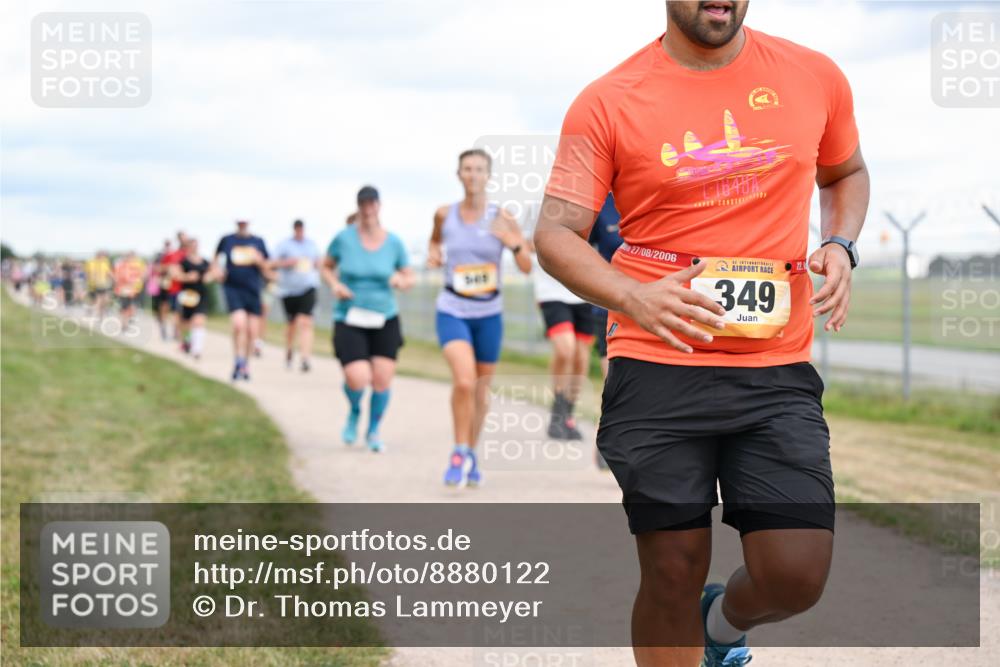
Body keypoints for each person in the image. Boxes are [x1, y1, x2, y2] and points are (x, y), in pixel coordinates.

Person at [533, 2, 868, 666]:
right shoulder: (607, 100)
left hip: (774, 368)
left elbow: (845, 172)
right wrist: (632, 295)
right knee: (672, 567)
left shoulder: (814, 75)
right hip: (657, 361)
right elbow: (555, 234)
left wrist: (840, 242)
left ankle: (719, 625)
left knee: (796, 572)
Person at [429, 149, 532, 487]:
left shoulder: (502, 217)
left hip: (488, 314)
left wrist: (513, 243)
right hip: (452, 308)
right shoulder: (444, 214)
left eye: (479, 169)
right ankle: (458, 452)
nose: (473, 175)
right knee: (464, 381)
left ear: (488, 176)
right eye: (467, 169)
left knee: (480, 391)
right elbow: (434, 243)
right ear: (458, 174)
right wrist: (433, 254)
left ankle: (471, 451)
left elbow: (526, 266)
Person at [321, 186, 414, 453]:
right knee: (357, 378)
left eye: (372, 203)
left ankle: (373, 430)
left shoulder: (394, 243)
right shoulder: (343, 239)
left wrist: (401, 281)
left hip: (384, 317)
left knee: (382, 379)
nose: (368, 208)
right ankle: (354, 410)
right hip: (350, 316)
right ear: (358, 206)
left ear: (379, 205)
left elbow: (409, 276)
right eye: (363, 203)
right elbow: (326, 266)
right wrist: (335, 284)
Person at [529, 241, 596, 441]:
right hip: (551, 293)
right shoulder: (536, 219)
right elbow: (527, 246)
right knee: (565, 349)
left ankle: (567, 415)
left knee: (581, 358)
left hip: (585, 291)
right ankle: (557, 413)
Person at [588, 193, 623, 470]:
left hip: (655, 305)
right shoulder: (600, 205)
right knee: (614, 381)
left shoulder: (653, 194)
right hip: (609, 308)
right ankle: (608, 438)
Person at [212, 220, 273, 381]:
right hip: (233, 288)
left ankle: (245, 364)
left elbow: (268, 267)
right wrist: (217, 270)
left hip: (253, 289)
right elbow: (215, 259)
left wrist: (260, 262)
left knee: (252, 331)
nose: (242, 225)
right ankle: (238, 360)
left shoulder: (258, 241)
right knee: (239, 324)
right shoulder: (227, 240)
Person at [273, 219, 321, 372]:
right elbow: (272, 263)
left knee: (305, 322)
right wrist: (287, 263)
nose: (300, 231)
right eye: (297, 229)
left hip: (308, 287)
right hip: (289, 290)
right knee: (292, 325)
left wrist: (316, 264)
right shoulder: (284, 245)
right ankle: (289, 351)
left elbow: (319, 262)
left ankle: (305, 358)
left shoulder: (311, 245)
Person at [171, 237, 215, 360]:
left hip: (201, 295)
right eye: (192, 245)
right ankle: (187, 342)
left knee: (199, 321)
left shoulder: (205, 262)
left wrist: (209, 277)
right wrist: (187, 277)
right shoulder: (183, 262)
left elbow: (213, 272)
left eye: (196, 245)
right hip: (187, 295)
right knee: (185, 322)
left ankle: (197, 350)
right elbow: (175, 275)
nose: (194, 248)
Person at [112, 250, 147, 324]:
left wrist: (138, 282)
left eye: (130, 256)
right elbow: (116, 276)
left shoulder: (137, 265)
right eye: (128, 256)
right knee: (124, 306)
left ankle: (128, 319)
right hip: (123, 289)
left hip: (134, 289)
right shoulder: (120, 265)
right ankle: (125, 322)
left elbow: (142, 275)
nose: (129, 258)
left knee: (131, 305)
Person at [150, 239, 174, 340]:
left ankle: (167, 327)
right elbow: (155, 268)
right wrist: (166, 268)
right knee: (160, 307)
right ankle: (163, 327)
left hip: (171, 284)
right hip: (161, 285)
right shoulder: (160, 256)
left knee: (168, 307)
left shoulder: (173, 255)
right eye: (166, 244)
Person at [84, 251, 113, 319]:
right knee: (94, 300)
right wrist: (88, 282)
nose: (104, 258)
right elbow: (87, 274)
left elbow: (108, 273)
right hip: (93, 285)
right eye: (102, 256)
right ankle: (92, 312)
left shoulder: (104, 263)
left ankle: (100, 315)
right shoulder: (91, 263)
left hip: (102, 285)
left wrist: (114, 279)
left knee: (102, 300)